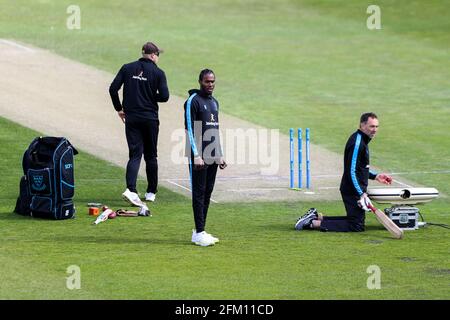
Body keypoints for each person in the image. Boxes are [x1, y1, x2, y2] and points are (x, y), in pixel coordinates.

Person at [295, 112, 393, 232]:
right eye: (371, 126)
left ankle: (316, 218)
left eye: (377, 126)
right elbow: (351, 170)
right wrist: (361, 193)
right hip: (352, 189)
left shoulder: (363, 140)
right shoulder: (357, 142)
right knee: (356, 225)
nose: (375, 130)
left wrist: (376, 176)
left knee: (355, 220)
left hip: (354, 188)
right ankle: (312, 223)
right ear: (362, 125)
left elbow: (361, 167)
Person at [109, 41, 169, 206]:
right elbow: (164, 97)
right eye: (158, 55)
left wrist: (119, 109)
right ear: (152, 55)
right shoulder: (158, 73)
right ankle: (151, 192)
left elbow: (113, 89)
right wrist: (150, 95)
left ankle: (131, 190)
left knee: (135, 154)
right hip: (150, 118)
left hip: (132, 118)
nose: (158, 58)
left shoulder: (127, 68)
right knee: (151, 155)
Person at [184, 69, 227, 246]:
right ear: (200, 81)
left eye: (212, 81)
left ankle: (200, 231)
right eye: (207, 81)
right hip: (198, 156)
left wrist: (220, 154)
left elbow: (215, 130)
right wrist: (196, 155)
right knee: (199, 193)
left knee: (207, 192)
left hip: (212, 154)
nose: (210, 84)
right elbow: (189, 129)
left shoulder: (214, 103)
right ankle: (199, 231)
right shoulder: (192, 101)